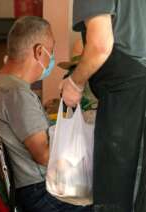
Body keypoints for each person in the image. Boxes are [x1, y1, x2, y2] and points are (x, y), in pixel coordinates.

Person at [0, 16, 92, 212]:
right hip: (40, 192)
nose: (51, 58)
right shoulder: (18, 93)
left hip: (25, 189)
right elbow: (43, 155)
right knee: (106, 200)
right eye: (51, 51)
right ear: (39, 51)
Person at [61, 1, 146, 211]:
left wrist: (75, 82)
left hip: (127, 96)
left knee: (117, 196)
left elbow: (100, 45)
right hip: (133, 89)